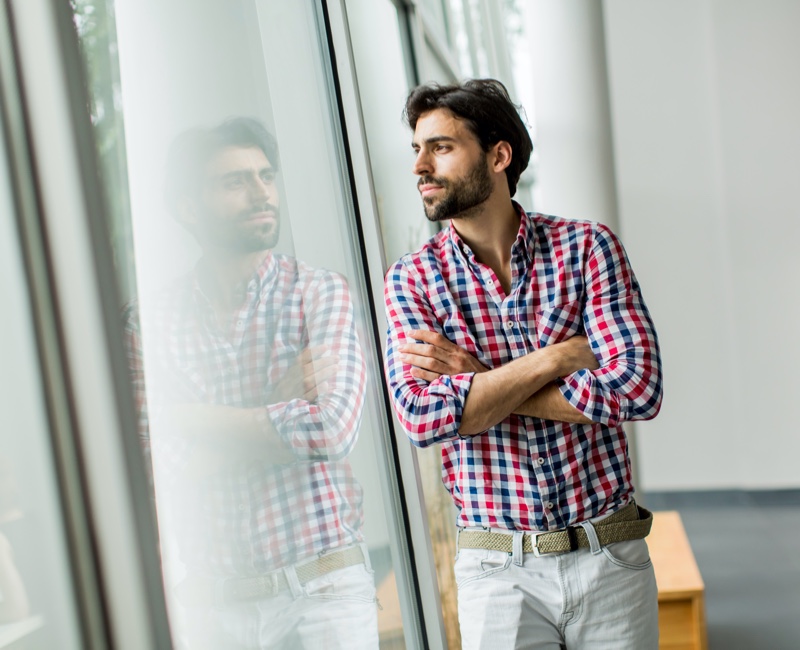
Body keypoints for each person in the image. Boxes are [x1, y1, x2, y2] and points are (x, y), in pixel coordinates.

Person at [383, 79, 663, 649]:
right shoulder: (411, 280)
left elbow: (636, 388)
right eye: (416, 149)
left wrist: (478, 383)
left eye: (440, 147)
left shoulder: (587, 249)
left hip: (609, 556)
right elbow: (421, 417)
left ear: (499, 155)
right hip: (496, 574)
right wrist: (557, 358)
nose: (420, 166)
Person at [123, 118, 378, 649]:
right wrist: (273, 405)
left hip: (323, 593)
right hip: (212, 612)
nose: (261, 192)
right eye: (235, 182)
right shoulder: (145, 324)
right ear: (188, 207)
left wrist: (188, 417)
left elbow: (330, 430)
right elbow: (151, 471)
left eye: (265, 176)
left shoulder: (319, 293)